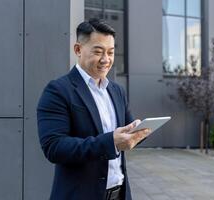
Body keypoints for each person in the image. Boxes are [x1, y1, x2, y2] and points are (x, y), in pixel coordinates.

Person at [37, 18, 151, 200]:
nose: (106, 60)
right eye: (98, 52)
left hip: (119, 194)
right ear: (78, 50)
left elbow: (127, 132)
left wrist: (139, 131)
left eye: (111, 52)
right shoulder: (58, 90)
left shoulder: (117, 91)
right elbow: (54, 147)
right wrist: (111, 142)